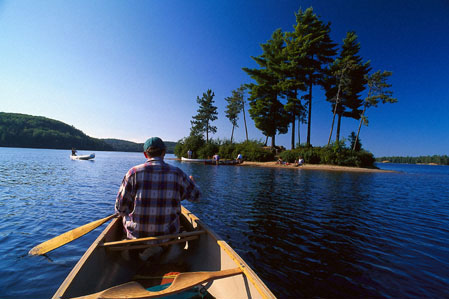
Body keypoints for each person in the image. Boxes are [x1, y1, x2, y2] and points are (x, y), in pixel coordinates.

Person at [115, 137, 201, 261]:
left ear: (145, 154)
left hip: (137, 237)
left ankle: (135, 251)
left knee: (124, 216)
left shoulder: (133, 173)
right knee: (177, 221)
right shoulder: (177, 173)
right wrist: (192, 182)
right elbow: (197, 197)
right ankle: (167, 249)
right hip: (167, 237)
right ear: (164, 152)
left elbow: (120, 209)